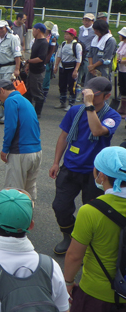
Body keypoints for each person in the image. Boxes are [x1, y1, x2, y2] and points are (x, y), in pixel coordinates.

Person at [49, 76, 122, 255]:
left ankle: (86, 244)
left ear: (106, 96)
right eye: (85, 92)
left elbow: (97, 131)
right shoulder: (75, 111)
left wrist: (90, 107)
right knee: (60, 206)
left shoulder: (113, 116)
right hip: (70, 167)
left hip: (96, 173)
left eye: (93, 95)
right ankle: (70, 235)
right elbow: (64, 136)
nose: (87, 96)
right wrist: (56, 162)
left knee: (91, 210)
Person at [64, 146, 126, 310]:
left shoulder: (90, 211)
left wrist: (68, 283)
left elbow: (74, 256)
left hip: (96, 294)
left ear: (102, 176)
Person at [0, 80, 42, 199]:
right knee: (29, 188)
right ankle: (28, 214)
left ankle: (13, 217)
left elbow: (10, 127)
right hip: (36, 151)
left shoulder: (11, 101)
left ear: (2, 90)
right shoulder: (24, 100)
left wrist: (5, 149)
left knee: (14, 191)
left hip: (21, 152)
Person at [0, 20, 22, 124]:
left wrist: (17, 69)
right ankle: (2, 112)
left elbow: (17, 55)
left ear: (6, 28)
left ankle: (8, 115)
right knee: (0, 92)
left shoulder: (13, 38)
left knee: (7, 92)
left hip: (9, 67)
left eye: (1, 28)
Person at [53, 28, 83, 112]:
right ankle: (62, 102)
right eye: (65, 34)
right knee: (62, 85)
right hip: (63, 67)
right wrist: (56, 66)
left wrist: (76, 70)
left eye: (67, 34)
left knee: (71, 86)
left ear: (72, 36)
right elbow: (59, 55)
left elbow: (79, 59)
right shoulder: (63, 44)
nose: (65, 35)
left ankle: (71, 104)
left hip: (71, 68)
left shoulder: (77, 45)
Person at [25, 22, 49, 117]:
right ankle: (28, 110)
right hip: (32, 69)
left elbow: (41, 58)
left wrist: (28, 61)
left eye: (34, 30)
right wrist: (28, 66)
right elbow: (33, 54)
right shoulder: (36, 40)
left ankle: (37, 113)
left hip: (38, 71)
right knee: (28, 91)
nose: (33, 32)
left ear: (38, 30)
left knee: (37, 91)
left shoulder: (43, 43)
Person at [42, 20, 59, 102]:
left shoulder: (52, 39)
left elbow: (52, 51)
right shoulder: (40, 36)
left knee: (46, 78)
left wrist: (45, 61)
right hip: (40, 58)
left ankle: (44, 95)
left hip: (48, 60)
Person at [78, 13, 96, 87]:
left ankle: (87, 84)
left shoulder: (94, 30)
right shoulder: (81, 29)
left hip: (88, 52)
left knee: (86, 69)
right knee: (79, 69)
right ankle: (77, 84)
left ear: (92, 21)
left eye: (88, 21)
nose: (86, 22)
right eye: (85, 20)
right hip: (80, 51)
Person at [116, 27, 126, 118]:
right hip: (121, 69)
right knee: (122, 88)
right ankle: (123, 107)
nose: (119, 36)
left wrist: (119, 61)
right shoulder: (122, 44)